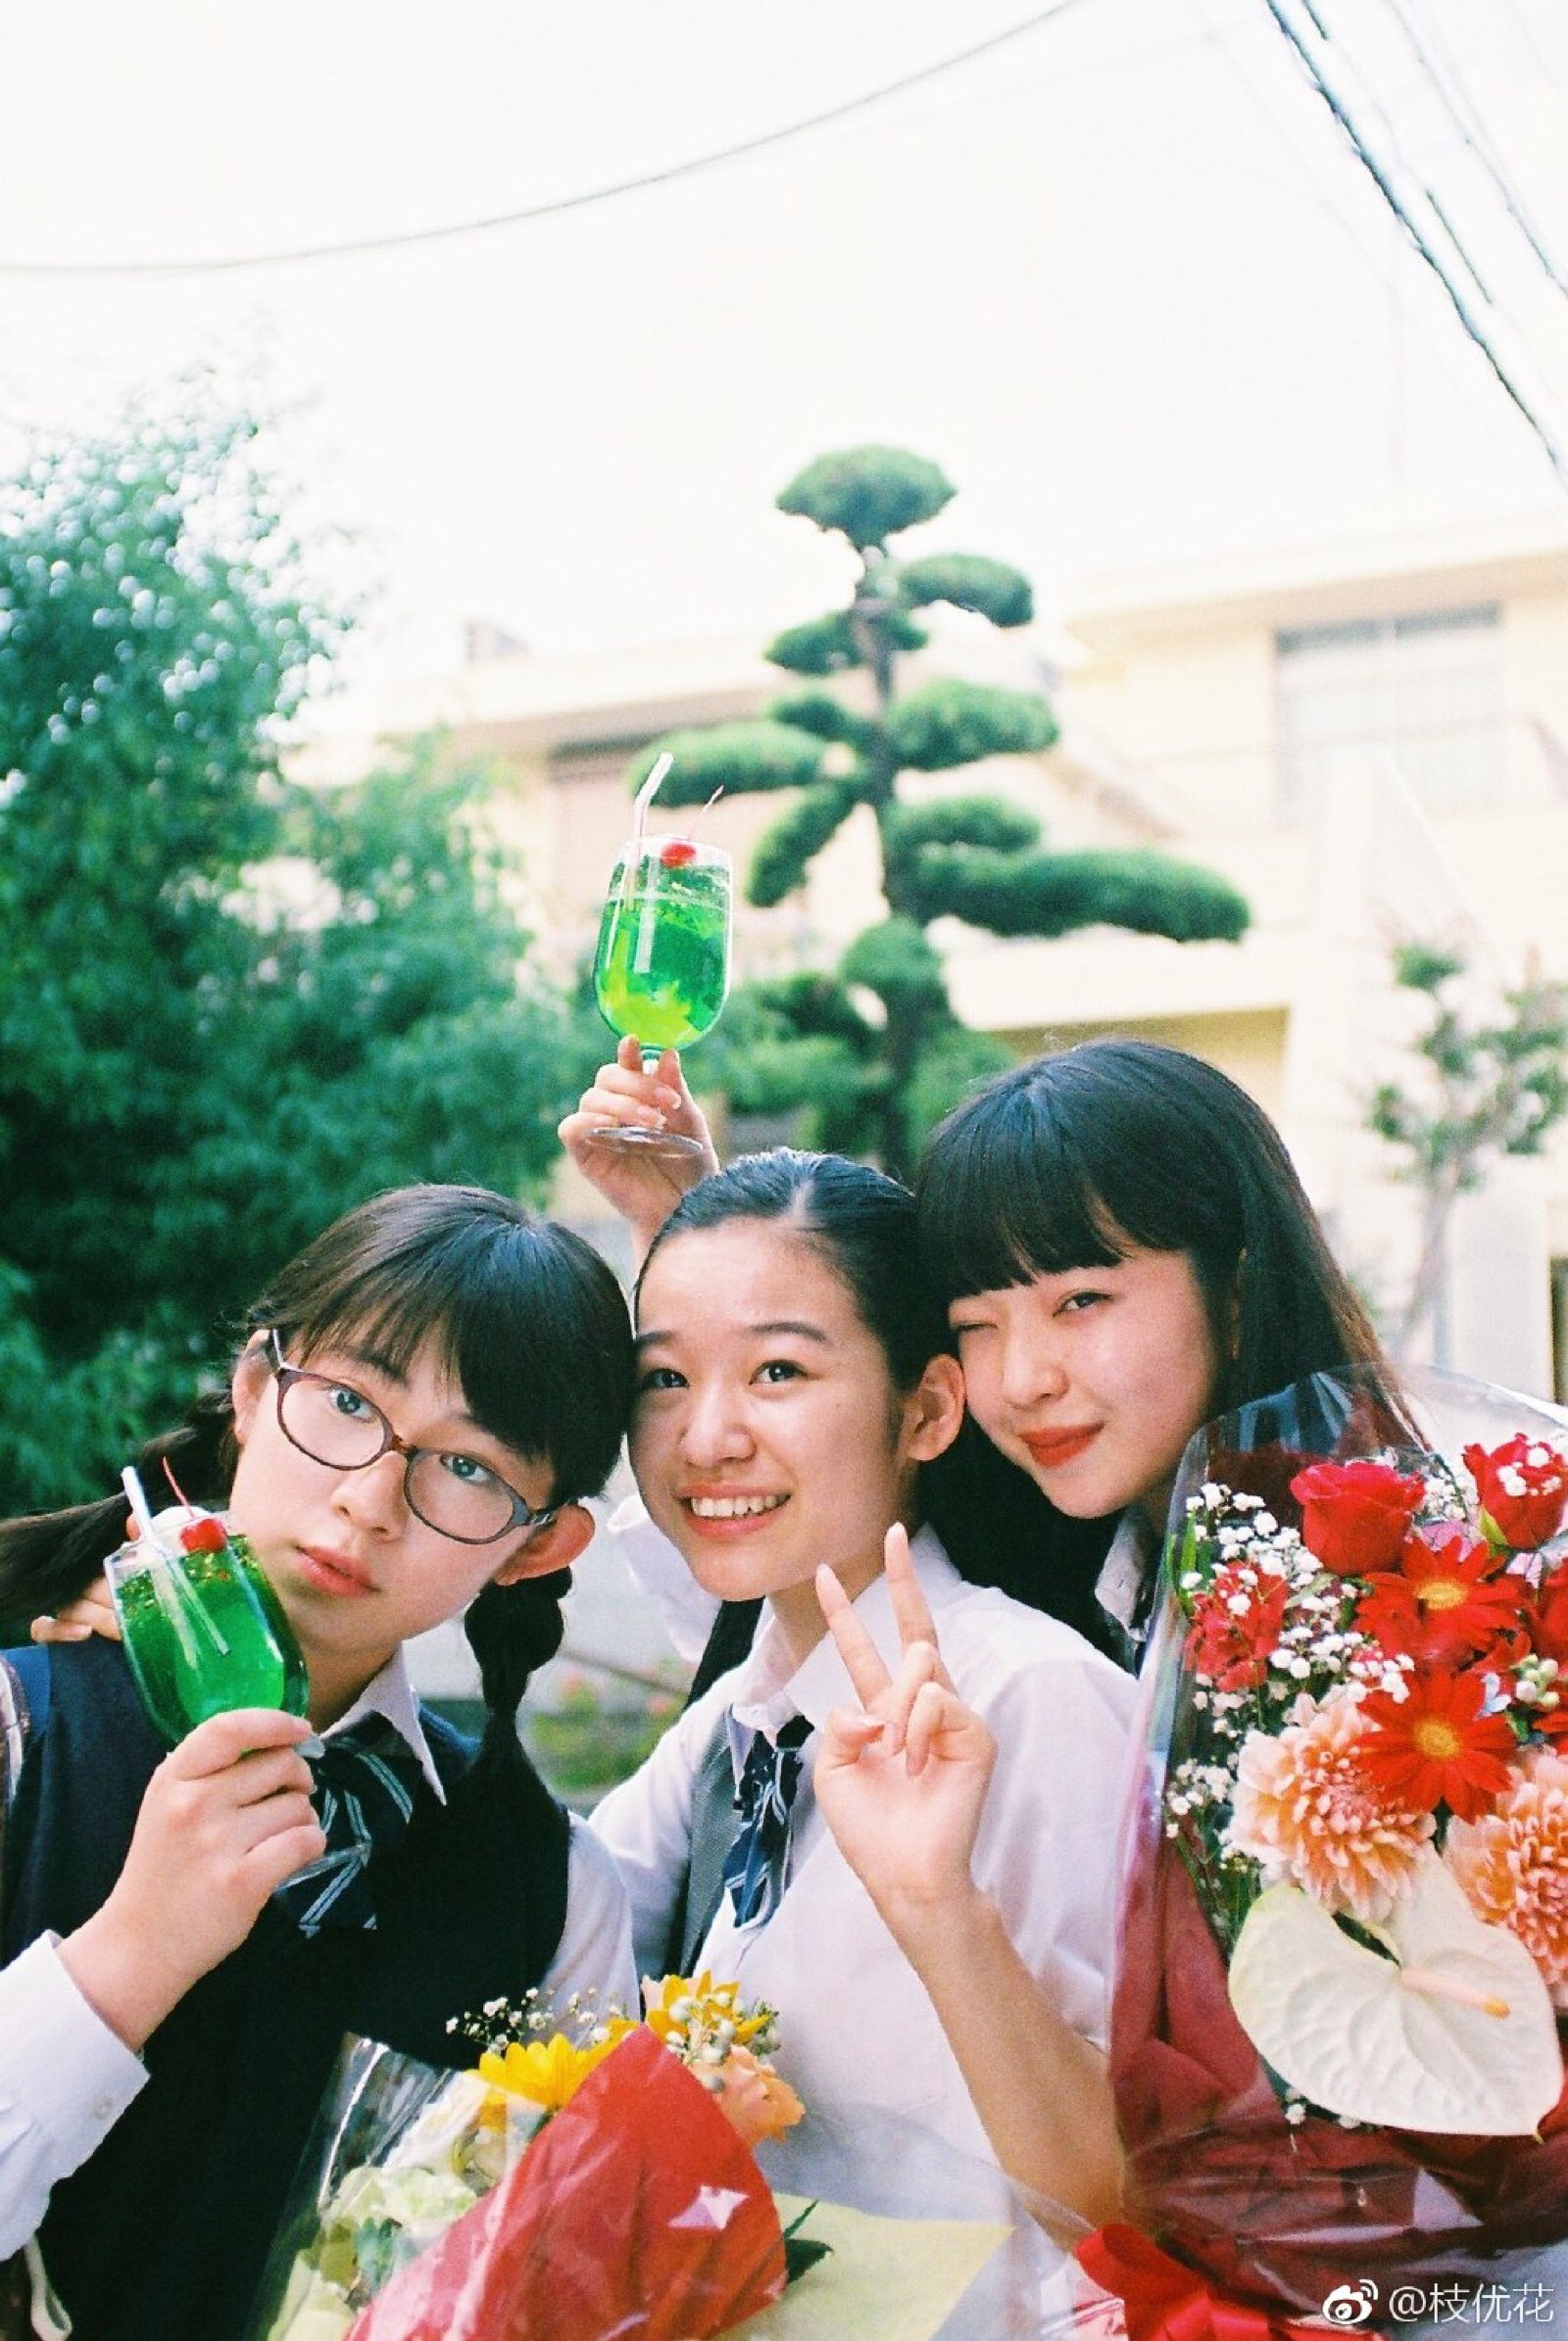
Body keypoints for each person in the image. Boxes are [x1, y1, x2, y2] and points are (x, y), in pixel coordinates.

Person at [0, 1185, 638, 2341]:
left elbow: (579, 2284)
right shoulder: (19, 1734)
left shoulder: (553, 1890)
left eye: (469, 1467)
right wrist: (131, 1952)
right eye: (347, 1402)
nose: (368, 1500)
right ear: (254, 1391)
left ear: (539, 1543)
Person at [582, 1148, 1136, 2232]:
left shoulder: (1030, 1699)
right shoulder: (738, 1730)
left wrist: (940, 1912)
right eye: (664, 1379)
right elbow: (551, 1930)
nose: (706, 1438)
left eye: (777, 1371)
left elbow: (1143, 2197)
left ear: (928, 1410)